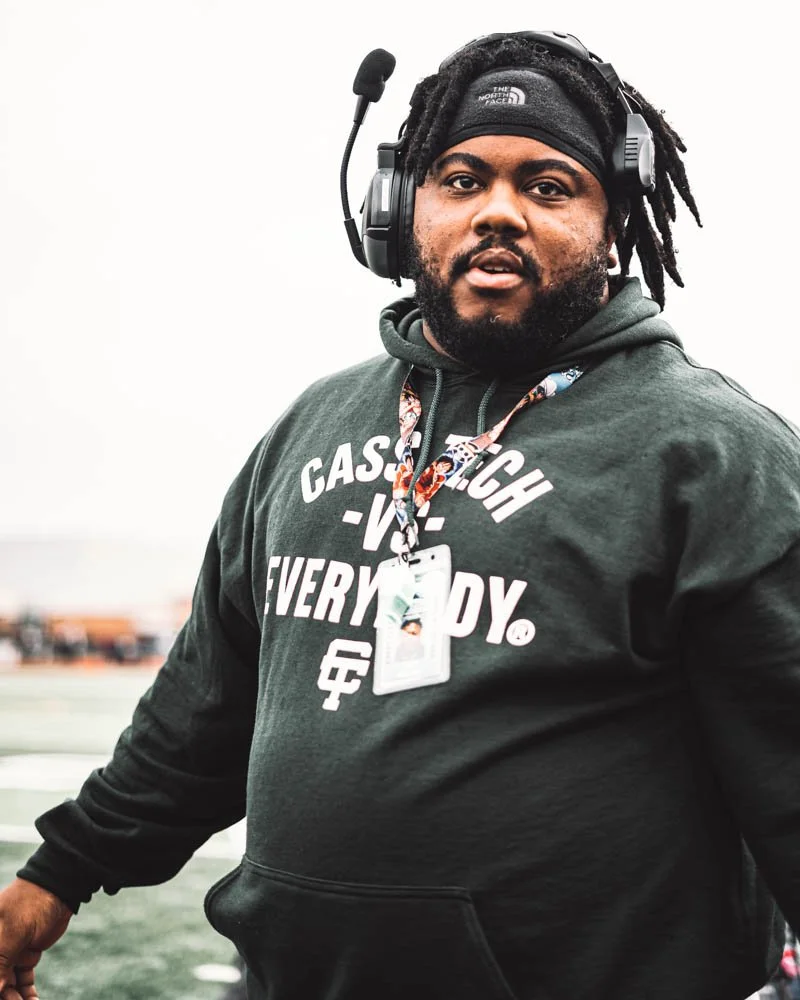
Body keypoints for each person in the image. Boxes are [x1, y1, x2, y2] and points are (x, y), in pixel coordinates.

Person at [0, 29, 798, 1000]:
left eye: (548, 186)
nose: (496, 210)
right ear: (397, 210)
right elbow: (205, 706)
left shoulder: (712, 452)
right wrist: (57, 876)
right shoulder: (311, 425)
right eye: (460, 179)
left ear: (612, 219)